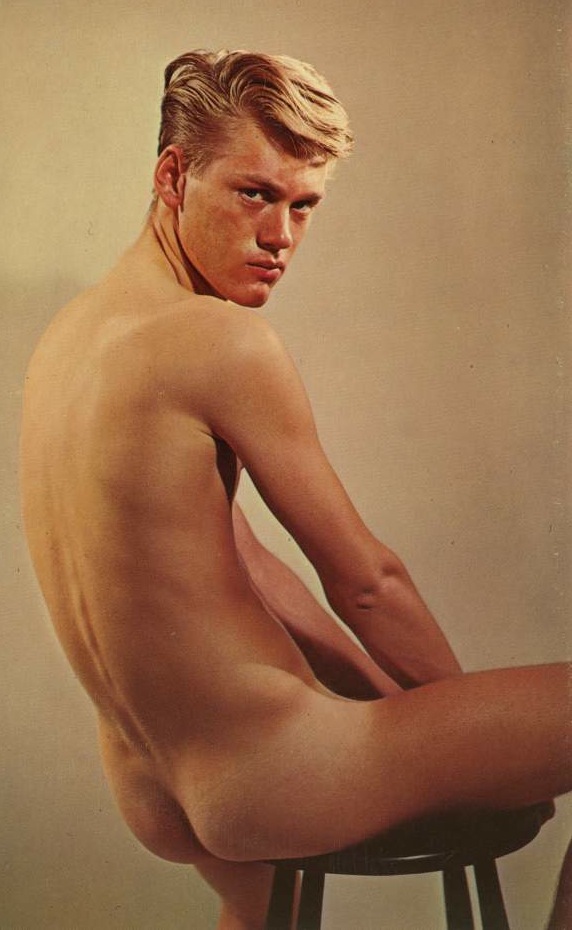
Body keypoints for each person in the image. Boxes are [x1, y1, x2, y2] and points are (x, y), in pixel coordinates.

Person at [20, 49, 571, 930]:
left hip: (152, 784)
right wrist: (473, 739)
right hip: (276, 777)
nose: (280, 236)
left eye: (303, 205)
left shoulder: (69, 340)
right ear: (173, 176)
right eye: (254, 194)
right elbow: (367, 583)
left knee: (263, 908)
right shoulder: (219, 341)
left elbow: (253, 570)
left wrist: (420, 718)